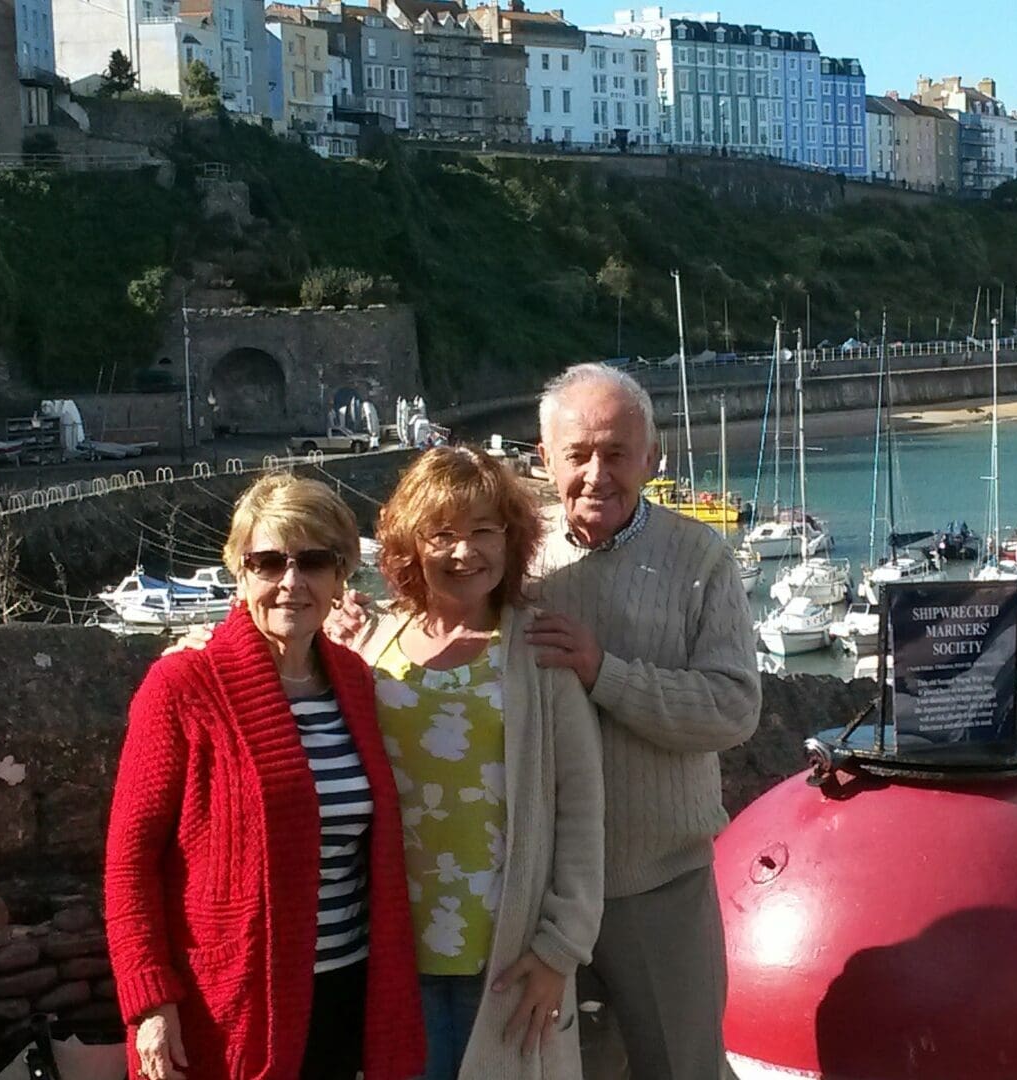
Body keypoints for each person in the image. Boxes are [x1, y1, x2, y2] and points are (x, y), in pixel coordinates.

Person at [105, 475, 424, 1080]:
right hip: (232, 1005)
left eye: (313, 562)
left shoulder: (355, 682)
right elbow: (130, 861)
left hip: (345, 987)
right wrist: (149, 1002)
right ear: (240, 573)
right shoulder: (181, 687)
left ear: (341, 577)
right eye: (269, 562)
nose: (291, 582)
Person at [524, 363, 761, 1080]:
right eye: (578, 454)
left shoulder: (701, 559)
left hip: (657, 885)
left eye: (618, 453)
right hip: (539, 890)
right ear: (545, 459)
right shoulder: (511, 553)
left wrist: (607, 675)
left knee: (682, 1070)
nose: (597, 474)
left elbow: (733, 707)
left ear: (652, 459)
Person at [356, 446, 604, 1079]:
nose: (464, 552)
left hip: (508, 959)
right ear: (411, 544)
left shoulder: (538, 650)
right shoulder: (370, 645)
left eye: (483, 531)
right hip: (391, 955)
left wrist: (560, 951)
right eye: (442, 534)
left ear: (512, 539)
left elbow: (581, 809)